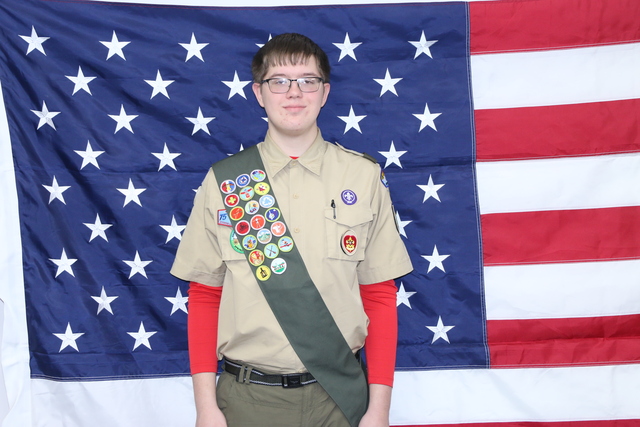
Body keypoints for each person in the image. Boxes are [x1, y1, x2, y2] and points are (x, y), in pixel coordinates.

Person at [171, 33, 413, 427]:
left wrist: (379, 410)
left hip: (340, 398)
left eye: (308, 80)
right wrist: (205, 408)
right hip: (246, 400)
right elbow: (204, 295)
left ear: (325, 92)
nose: (294, 92)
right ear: (259, 93)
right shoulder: (226, 181)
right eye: (279, 81)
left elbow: (379, 295)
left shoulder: (363, 176)